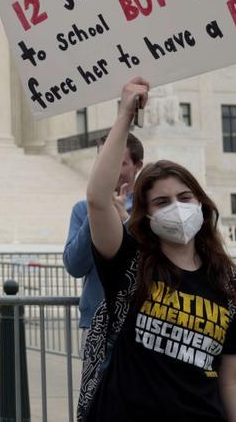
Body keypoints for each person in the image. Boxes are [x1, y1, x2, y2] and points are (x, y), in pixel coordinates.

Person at [79, 78, 236, 422]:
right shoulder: (131, 261)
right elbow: (97, 199)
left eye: (184, 197)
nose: (176, 207)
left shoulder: (228, 282)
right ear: (147, 214)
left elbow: (234, 377)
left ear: (200, 203)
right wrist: (124, 115)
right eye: (162, 201)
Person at [63, 132, 143, 332]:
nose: (111, 169)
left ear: (138, 166)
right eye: (105, 161)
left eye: (121, 163)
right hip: (97, 323)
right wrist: (97, 209)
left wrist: (124, 218)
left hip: (141, 321)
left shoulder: (148, 208)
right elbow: (75, 266)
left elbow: (146, 260)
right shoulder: (82, 210)